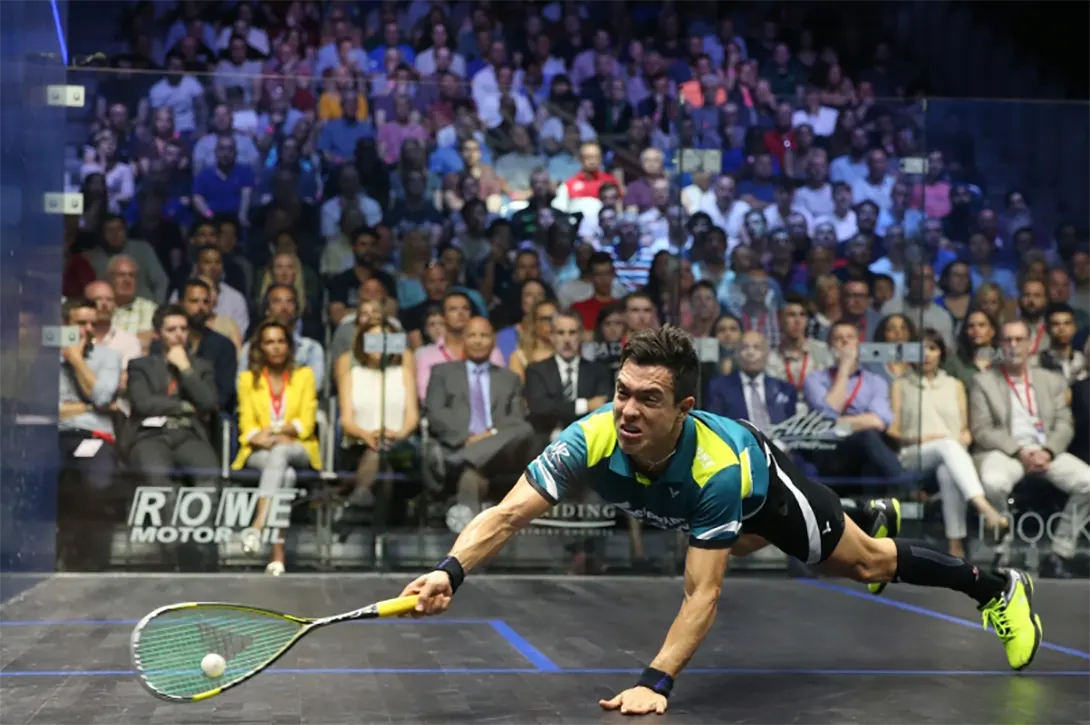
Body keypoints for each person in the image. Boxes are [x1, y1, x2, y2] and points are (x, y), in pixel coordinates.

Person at [399, 326, 1042, 716]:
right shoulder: (588, 437)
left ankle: (995, 588)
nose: (626, 411)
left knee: (861, 563)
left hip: (767, 488)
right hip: (719, 503)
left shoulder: (717, 473)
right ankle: (860, 517)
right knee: (745, 542)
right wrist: (448, 571)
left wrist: (657, 682)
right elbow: (507, 514)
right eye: (621, 392)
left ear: (682, 407)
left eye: (648, 399)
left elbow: (702, 594)